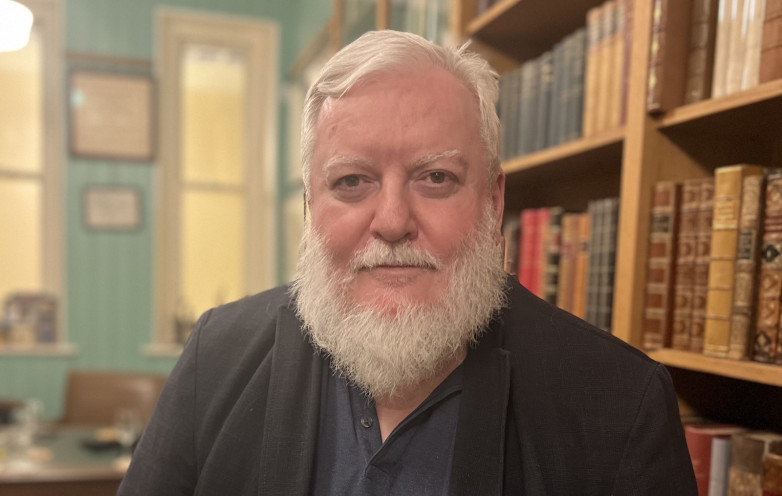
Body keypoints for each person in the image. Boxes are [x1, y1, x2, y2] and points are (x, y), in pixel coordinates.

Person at [119, 30, 697, 495]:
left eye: (436, 177)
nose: (393, 221)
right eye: (351, 181)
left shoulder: (620, 406)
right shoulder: (216, 357)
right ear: (309, 206)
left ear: (493, 202)